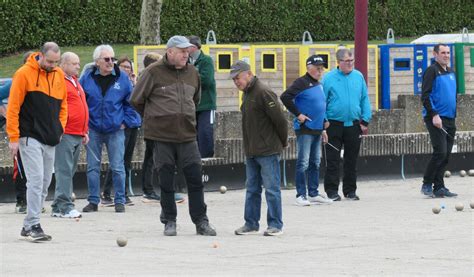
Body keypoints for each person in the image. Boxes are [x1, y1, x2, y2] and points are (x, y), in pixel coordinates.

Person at [131, 35, 216, 236]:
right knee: (166, 180)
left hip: (187, 135)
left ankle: (201, 221)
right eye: (182, 52)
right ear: (170, 52)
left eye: (188, 52)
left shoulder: (193, 72)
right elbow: (136, 100)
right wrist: (155, 117)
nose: (186, 55)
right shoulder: (152, 72)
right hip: (162, 137)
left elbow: (196, 98)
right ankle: (170, 220)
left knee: (195, 179)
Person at [6, 42, 67, 241]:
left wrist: (60, 128)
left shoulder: (58, 74)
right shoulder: (23, 73)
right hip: (29, 135)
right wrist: (13, 137)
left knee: (45, 181)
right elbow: (13, 107)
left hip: (50, 136)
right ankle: (33, 223)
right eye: (49, 61)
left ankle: (28, 224)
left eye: (56, 62)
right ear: (40, 55)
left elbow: (63, 105)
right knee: (36, 179)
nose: (52, 65)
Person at [230, 60, 288, 236]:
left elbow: (280, 120)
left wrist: (282, 142)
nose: (236, 82)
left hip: (267, 150)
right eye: (233, 80)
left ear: (248, 73)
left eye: (238, 78)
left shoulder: (263, 92)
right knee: (252, 189)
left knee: (271, 189)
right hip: (252, 150)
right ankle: (251, 223)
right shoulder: (247, 93)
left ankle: (275, 225)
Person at [80, 44, 135, 213]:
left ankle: (119, 200)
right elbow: (80, 101)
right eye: (107, 59)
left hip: (115, 129)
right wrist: (84, 124)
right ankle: (93, 201)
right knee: (92, 167)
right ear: (97, 61)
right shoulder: (87, 78)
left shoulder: (122, 78)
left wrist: (125, 121)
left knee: (118, 166)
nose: (111, 62)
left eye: (113, 58)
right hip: (93, 129)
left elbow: (132, 102)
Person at [280, 55, 333, 206]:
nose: (320, 70)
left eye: (321, 68)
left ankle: (313, 193)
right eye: (317, 68)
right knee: (303, 162)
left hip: (317, 128)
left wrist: (323, 126)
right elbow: (285, 97)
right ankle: (300, 195)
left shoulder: (319, 84)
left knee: (315, 162)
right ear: (309, 68)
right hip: (305, 128)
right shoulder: (301, 82)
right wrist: (298, 114)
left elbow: (319, 105)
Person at [322, 48, 372, 201]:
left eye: (352, 61)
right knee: (332, 159)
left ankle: (350, 191)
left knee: (351, 160)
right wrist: (324, 121)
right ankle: (332, 191)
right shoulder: (328, 78)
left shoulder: (358, 76)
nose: (350, 64)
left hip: (354, 125)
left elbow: (365, 99)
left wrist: (365, 120)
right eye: (347, 61)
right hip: (333, 124)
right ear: (338, 62)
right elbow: (321, 101)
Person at [138, 52, 185, 204]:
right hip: (154, 125)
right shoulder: (149, 78)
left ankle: (151, 190)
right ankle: (149, 191)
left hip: (159, 124)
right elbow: (138, 101)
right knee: (153, 158)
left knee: (152, 157)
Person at [50, 52, 89, 219]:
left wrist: (84, 130)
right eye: (74, 63)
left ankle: (58, 206)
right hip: (65, 133)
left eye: (78, 63)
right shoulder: (58, 81)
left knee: (69, 170)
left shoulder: (75, 82)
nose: (78, 66)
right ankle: (66, 206)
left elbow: (81, 106)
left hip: (77, 132)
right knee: (64, 170)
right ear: (63, 64)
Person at [101, 56, 142, 206]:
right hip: (123, 126)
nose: (127, 69)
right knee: (117, 161)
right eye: (123, 66)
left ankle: (123, 193)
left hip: (134, 124)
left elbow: (138, 101)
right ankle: (107, 193)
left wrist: (135, 83)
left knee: (126, 162)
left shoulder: (130, 83)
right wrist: (122, 122)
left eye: (129, 67)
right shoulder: (116, 82)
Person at [420, 44, 457, 198]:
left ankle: (439, 187)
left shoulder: (451, 72)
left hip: (450, 118)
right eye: (443, 53)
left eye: (448, 53)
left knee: (446, 154)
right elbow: (425, 95)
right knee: (440, 152)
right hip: (436, 118)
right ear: (435, 54)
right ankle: (427, 183)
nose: (446, 55)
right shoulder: (432, 71)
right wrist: (434, 114)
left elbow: (452, 95)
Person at [1, 51, 33, 214]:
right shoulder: (17, 81)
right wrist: (3, 109)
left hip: (37, 130)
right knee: (20, 166)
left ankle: (35, 201)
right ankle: (21, 201)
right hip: (20, 130)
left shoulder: (42, 81)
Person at [188, 35, 217, 158]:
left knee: (205, 133)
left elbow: (207, 80)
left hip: (206, 105)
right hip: (192, 106)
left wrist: (189, 78)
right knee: (192, 135)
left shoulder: (206, 60)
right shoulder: (187, 62)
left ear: (193, 47)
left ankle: (206, 161)